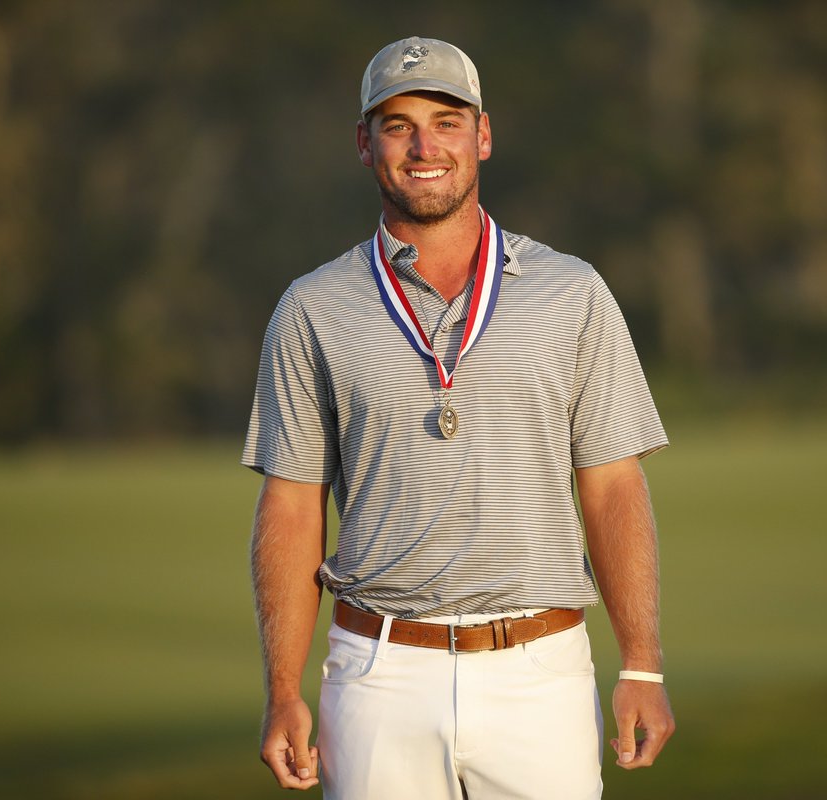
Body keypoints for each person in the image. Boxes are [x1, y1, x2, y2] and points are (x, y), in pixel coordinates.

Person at [243, 35, 674, 799]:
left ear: (483, 134)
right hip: (377, 675)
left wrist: (640, 662)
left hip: (539, 672)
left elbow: (612, 484)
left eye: (445, 121)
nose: (422, 146)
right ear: (363, 143)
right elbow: (291, 504)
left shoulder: (570, 292)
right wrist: (284, 691)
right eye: (397, 124)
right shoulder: (312, 307)